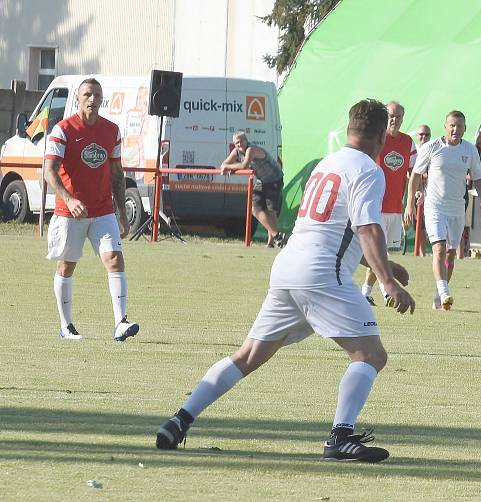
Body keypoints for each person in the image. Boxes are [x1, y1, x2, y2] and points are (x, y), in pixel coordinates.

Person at [156, 99, 415, 462]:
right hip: (321, 273)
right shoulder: (370, 171)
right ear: (381, 136)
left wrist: (387, 265)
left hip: (288, 265)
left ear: (350, 128)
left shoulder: (328, 163)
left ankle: (180, 419)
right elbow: (366, 228)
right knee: (370, 354)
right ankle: (340, 437)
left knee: (247, 355)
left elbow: (331, 231)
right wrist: (387, 282)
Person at [42, 78, 139, 342]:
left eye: (97, 95)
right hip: (68, 212)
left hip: (103, 210)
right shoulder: (62, 130)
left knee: (115, 259)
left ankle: (120, 322)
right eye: (87, 94)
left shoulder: (112, 130)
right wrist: (69, 199)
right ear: (78, 98)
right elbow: (49, 171)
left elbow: (117, 174)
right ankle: (66, 326)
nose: (92, 99)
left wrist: (121, 212)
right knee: (66, 267)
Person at [404, 110, 481, 311]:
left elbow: (477, 177)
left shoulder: (469, 150)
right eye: (452, 125)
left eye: (459, 126)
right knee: (439, 249)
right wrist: (409, 203)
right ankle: (444, 292)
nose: (455, 129)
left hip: (457, 207)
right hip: (435, 206)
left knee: (451, 253)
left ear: (465, 129)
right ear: (445, 126)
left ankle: (438, 296)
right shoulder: (432, 147)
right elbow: (415, 175)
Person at [361, 101, 416, 305]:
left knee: (383, 252)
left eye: (398, 117)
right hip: (376, 206)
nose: (395, 120)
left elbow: (414, 174)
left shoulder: (408, 143)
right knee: (378, 251)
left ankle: (368, 291)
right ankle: (381, 290)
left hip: (395, 207)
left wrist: (412, 200)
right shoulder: (376, 139)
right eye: (391, 116)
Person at [220, 132, 284, 247]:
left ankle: (271, 242)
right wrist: (228, 167)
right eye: (236, 143)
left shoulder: (251, 149)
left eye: (241, 141)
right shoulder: (236, 152)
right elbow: (224, 164)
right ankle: (278, 237)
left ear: (246, 140)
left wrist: (229, 168)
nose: (239, 144)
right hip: (262, 180)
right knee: (255, 209)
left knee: (271, 211)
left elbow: (244, 165)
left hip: (274, 179)